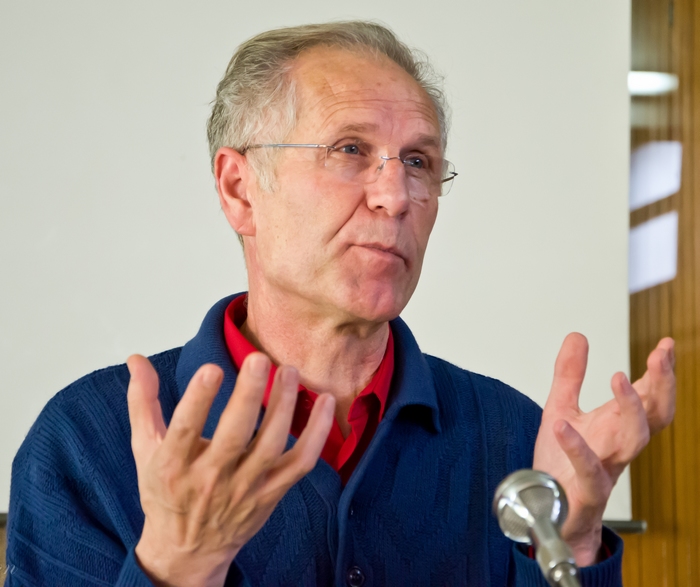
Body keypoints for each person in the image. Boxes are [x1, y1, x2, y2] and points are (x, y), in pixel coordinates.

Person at [4, 21, 675, 587]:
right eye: (350, 150)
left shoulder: (516, 442)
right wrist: (177, 566)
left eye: (419, 161)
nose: (396, 196)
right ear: (240, 190)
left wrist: (571, 544)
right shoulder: (85, 443)